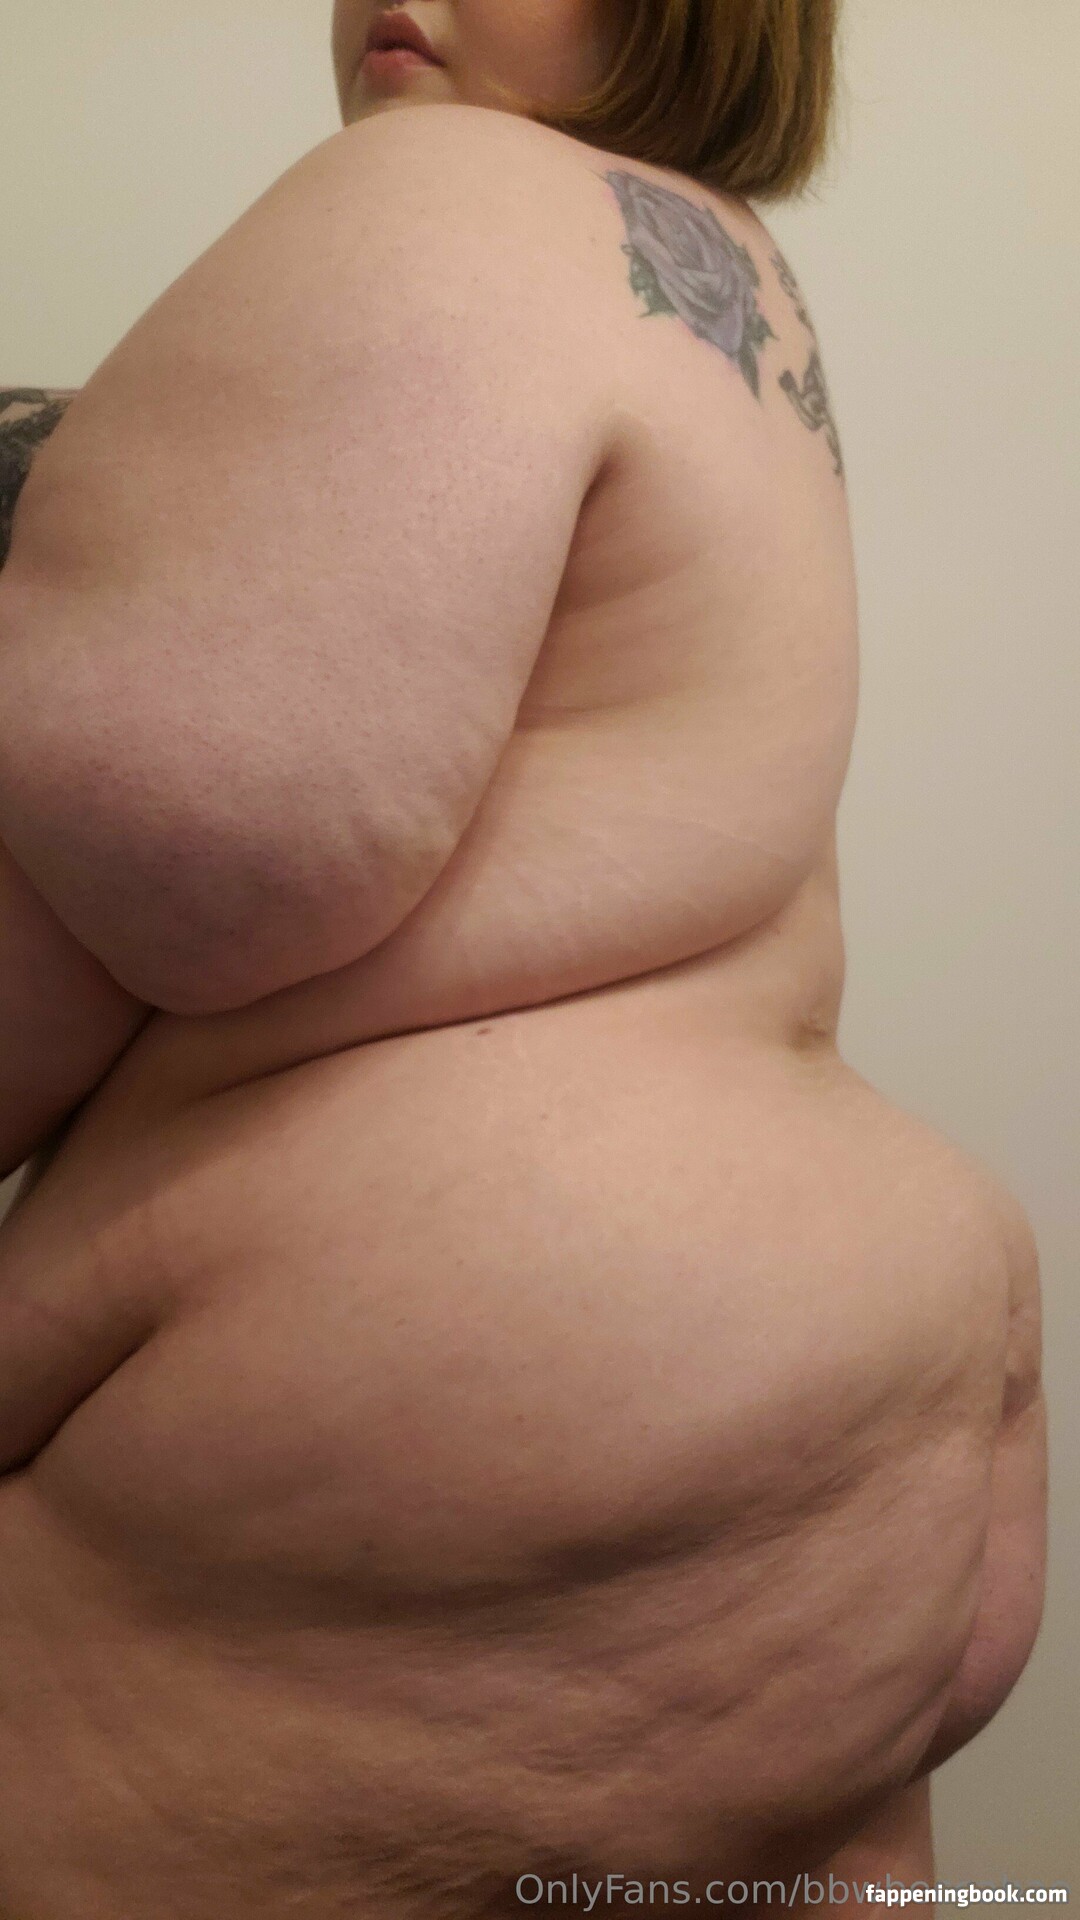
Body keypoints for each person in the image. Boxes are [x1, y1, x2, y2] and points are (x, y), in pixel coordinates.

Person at [0, 2, 1046, 1913]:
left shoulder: (446, 191)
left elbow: (200, 842)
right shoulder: (725, 280)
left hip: (524, 1410)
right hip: (885, 1412)